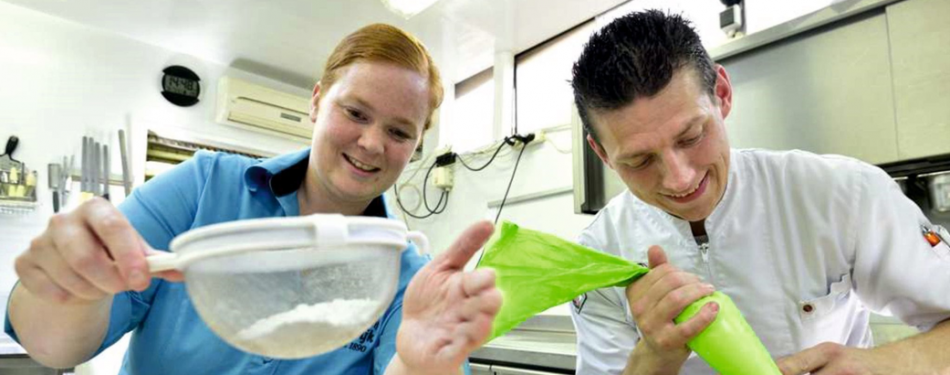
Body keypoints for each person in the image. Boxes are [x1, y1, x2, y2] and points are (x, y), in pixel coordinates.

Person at [5, 23, 501, 375]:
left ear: (417, 146)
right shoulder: (203, 188)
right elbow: (51, 346)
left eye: (398, 131)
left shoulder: (408, 274)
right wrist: (70, 285)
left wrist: (418, 367)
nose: (372, 143)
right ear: (316, 101)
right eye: (355, 112)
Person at [568, 10, 950, 375]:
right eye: (639, 160)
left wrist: (881, 364)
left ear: (721, 93)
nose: (679, 179)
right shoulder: (595, 257)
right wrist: (654, 353)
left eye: (691, 136)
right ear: (602, 153)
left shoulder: (842, 194)